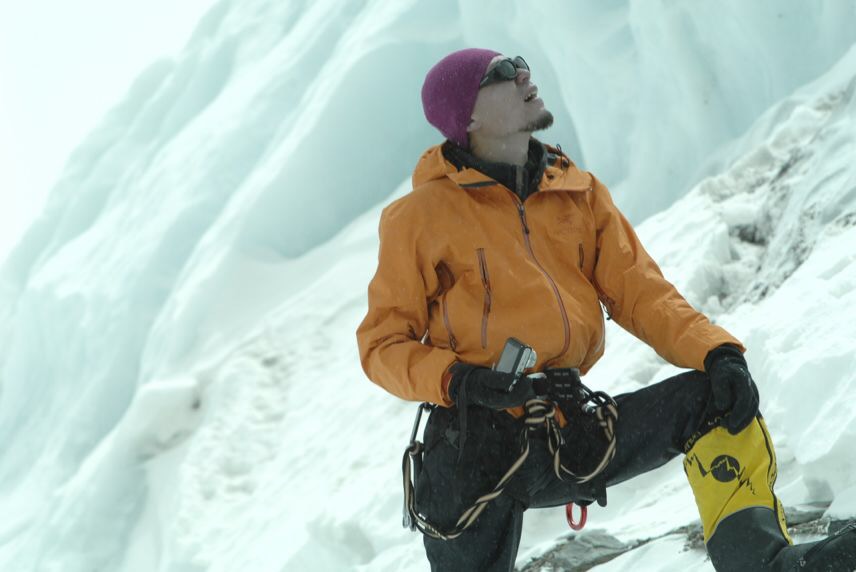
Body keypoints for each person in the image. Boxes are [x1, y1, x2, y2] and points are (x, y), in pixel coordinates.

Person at [356, 48, 855, 571]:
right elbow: (382, 344)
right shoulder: (419, 218)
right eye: (503, 73)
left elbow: (640, 292)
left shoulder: (578, 193)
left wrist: (717, 352)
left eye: (521, 63)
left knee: (714, 397)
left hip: (571, 426)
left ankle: (765, 562)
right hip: (470, 450)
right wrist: (459, 382)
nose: (524, 75)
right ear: (469, 116)